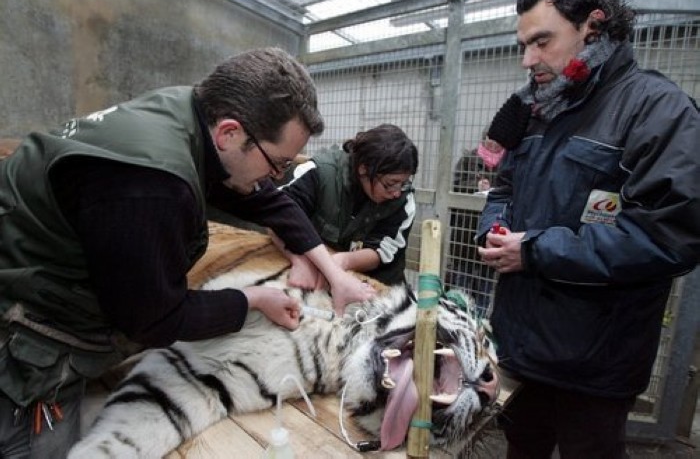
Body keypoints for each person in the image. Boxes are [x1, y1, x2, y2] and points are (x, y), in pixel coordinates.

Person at [0, 47, 375, 457]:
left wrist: (333, 273)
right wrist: (252, 299)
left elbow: (270, 202)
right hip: (23, 327)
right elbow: (153, 319)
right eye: (278, 164)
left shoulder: (192, 113)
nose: (277, 177)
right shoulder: (151, 185)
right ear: (230, 133)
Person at [477, 0, 700, 457]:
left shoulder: (656, 110)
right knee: (522, 447)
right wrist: (493, 229)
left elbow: (669, 234)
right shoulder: (535, 110)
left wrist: (535, 250)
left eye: (541, 42)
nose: (527, 59)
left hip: (597, 364)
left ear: (592, 26)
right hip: (521, 347)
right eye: (523, 45)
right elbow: (502, 188)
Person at [276, 124, 418, 287]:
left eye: (404, 183)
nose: (397, 192)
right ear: (364, 169)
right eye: (390, 184)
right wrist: (304, 261)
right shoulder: (320, 173)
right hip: (314, 272)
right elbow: (279, 215)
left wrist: (342, 261)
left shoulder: (403, 200)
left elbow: (383, 250)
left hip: (378, 285)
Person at [447, 129, 505, 315]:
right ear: (484, 138)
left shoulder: (507, 163)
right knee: (461, 283)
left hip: (491, 232)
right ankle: (457, 318)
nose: (493, 143)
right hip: (465, 234)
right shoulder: (468, 159)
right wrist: (476, 187)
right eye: (490, 138)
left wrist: (493, 189)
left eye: (497, 140)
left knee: (484, 287)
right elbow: (455, 187)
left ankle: (478, 322)